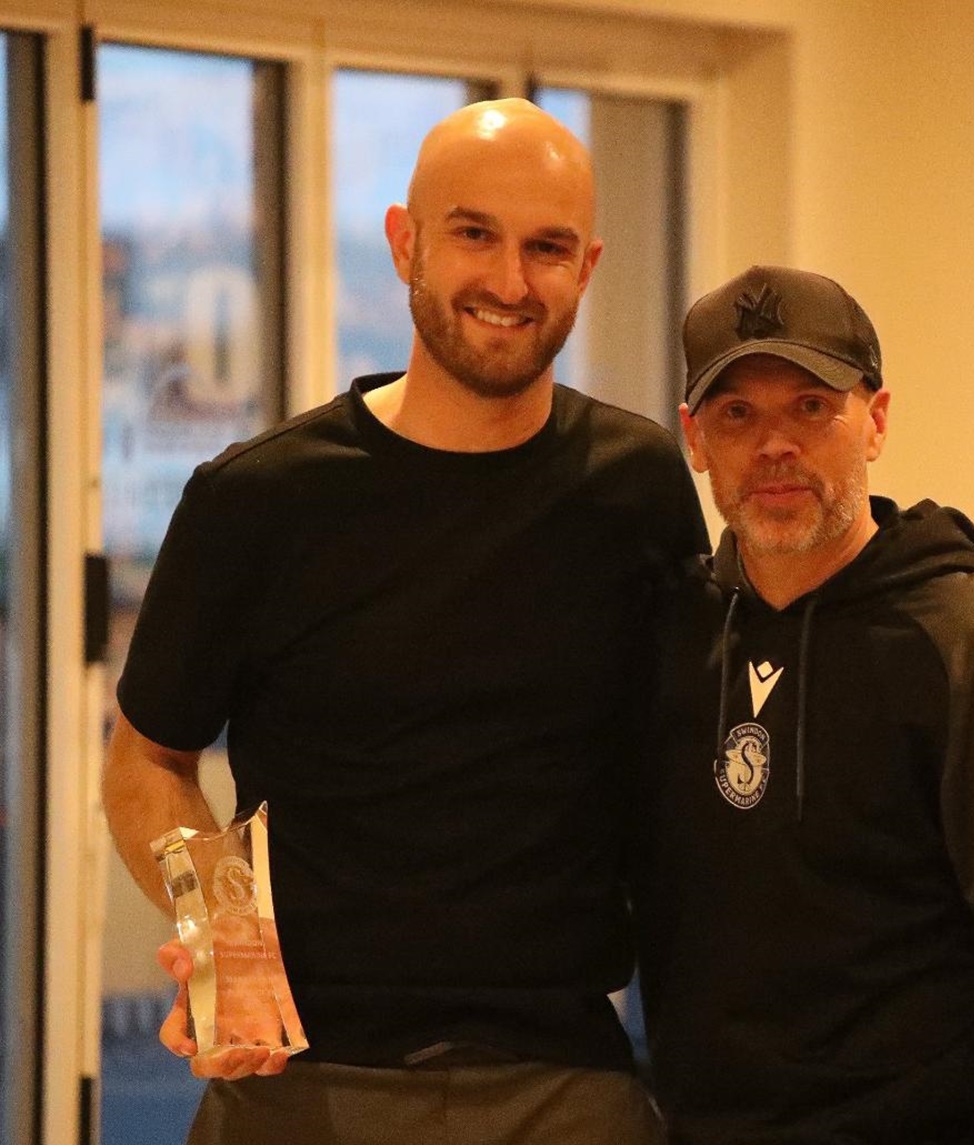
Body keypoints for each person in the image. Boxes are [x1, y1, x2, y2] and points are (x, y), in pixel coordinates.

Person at [101, 97, 708, 1145]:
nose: (510, 282)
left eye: (547, 247)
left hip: (564, 1081)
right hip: (299, 1083)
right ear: (405, 243)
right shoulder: (261, 498)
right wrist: (224, 938)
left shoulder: (638, 485)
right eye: (474, 233)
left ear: (588, 266)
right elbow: (148, 758)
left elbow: (687, 773)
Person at [634, 264, 974, 1144]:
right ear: (695, 440)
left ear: (876, 419)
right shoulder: (671, 638)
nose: (775, 444)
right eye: (737, 414)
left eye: (812, 406)